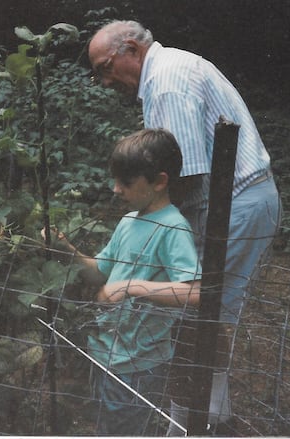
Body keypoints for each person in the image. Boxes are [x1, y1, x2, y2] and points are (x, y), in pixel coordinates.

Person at [88, 20, 282, 432]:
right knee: (204, 316)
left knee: (194, 316)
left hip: (236, 204)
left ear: (131, 51)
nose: (104, 80)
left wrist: (150, 226)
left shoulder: (169, 82)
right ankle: (214, 416)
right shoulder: (164, 74)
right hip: (231, 202)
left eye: (105, 67)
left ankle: (188, 426)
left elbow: (184, 176)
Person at [43, 128, 201, 436]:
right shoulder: (129, 221)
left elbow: (195, 292)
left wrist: (133, 287)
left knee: (122, 430)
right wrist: (64, 247)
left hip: (139, 364)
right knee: (108, 425)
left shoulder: (173, 227)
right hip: (107, 354)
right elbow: (101, 272)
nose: (116, 189)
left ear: (159, 181)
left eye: (125, 182)